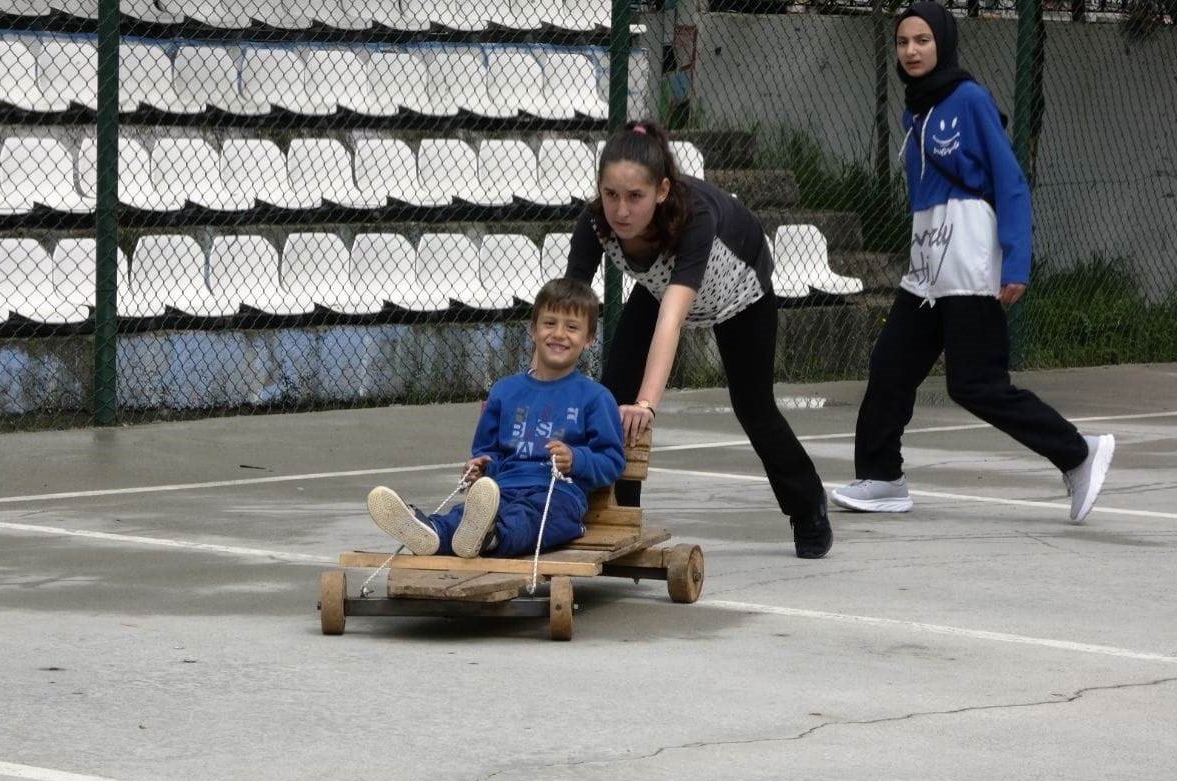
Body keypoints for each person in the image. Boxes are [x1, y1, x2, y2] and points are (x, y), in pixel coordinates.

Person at [829, 1, 1113, 522]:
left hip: (971, 260)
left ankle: (1078, 453)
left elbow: (1010, 182)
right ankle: (883, 477)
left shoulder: (970, 99)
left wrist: (1016, 263)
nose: (911, 51)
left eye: (922, 40)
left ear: (944, 43)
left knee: (975, 383)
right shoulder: (915, 110)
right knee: (890, 366)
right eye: (903, 42)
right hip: (929, 266)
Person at [565, 119, 833, 559]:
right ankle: (621, 521)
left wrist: (648, 404)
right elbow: (566, 309)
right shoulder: (595, 223)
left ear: (662, 191)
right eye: (611, 195)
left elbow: (671, 321)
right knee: (612, 399)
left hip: (740, 294)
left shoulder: (694, 219)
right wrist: (539, 383)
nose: (622, 211)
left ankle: (807, 508)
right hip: (659, 287)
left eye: (636, 197)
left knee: (754, 408)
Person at [366, 278, 626, 558]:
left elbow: (612, 461)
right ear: (533, 330)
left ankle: (490, 538)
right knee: (464, 514)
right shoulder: (505, 391)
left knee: (529, 520)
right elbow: (489, 452)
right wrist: (480, 468)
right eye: (549, 323)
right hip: (502, 490)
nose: (559, 334)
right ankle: (429, 532)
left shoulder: (595, 397)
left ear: (589, 339)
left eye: (572, 327)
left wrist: (576, 459)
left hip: (558, 495)